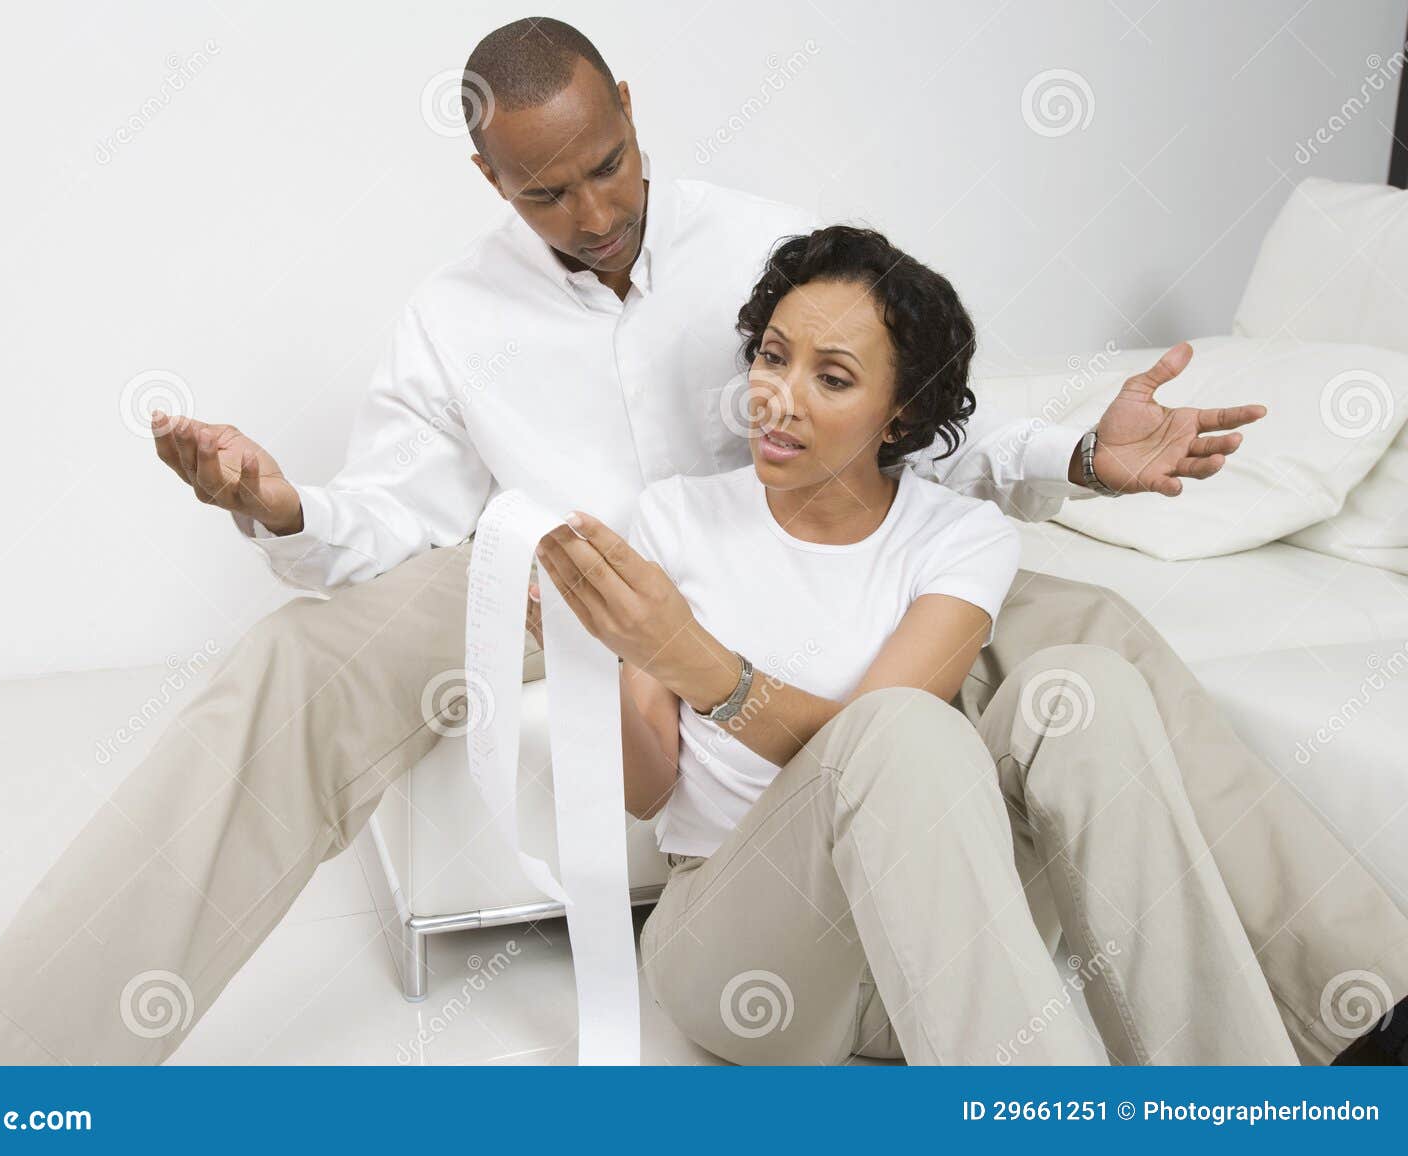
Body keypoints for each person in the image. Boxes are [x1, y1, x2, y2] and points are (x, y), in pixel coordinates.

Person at [0, 17, 1405, 1066]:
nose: (593, 208)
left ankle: (1367, 1010)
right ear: (490, 177)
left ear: (631, 118)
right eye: (547, 191)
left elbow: (904, 406)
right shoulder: (452, 315)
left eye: (606, 165)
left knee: (1103, 640)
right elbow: (388, 517)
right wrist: (280, 507)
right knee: (297, 659)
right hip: (569, 580)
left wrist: (1071, 453)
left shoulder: (760, 239)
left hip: (810, 541)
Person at [534, 224, 1299, 1064]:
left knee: (1086, 692)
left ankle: (1229, 1099)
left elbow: (875, 748)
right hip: (749, 961)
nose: (778, 398)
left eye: (831, 377)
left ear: (900, 413)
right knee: (898, 730)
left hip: (928, 951)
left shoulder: (961, 537)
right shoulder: (677, 517)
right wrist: (595, 658)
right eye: (772, 357)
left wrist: (694, 659)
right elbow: (647, 794)